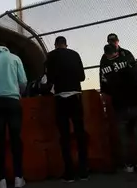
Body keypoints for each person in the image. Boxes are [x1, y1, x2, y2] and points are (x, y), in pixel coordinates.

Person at [99, 39, 137, 174]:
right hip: (135, 101)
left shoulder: (105, 65)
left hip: (120, 105)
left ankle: (128, 164)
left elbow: (105, 87)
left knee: (124, 138)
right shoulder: (128, 58)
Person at [45, 36, 88, 182]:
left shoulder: (50, 56)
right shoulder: (75, 54)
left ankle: (69, 173)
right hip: (76, 96)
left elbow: (49, 78)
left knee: (64, 136)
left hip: (61, 97)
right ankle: (84, 172)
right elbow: (82, 77)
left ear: (56, 45)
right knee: (80, 133)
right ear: (66, 44)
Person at [0, 45, 28, 188]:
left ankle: (1, 180)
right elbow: (23, 81)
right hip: (13, 102)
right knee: (16, 139)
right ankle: (18, 178)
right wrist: (18, 91)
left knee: (0, 141)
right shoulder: (15, 59)